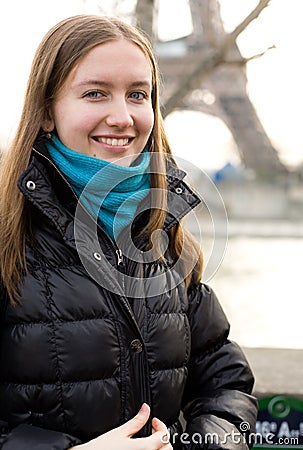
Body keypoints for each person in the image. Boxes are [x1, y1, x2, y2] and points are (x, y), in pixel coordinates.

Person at [0, 14, 258, 450]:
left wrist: (201, 445)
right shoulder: (8, 242)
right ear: (46, 112)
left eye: (138, 94)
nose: (122, 116)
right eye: (95, 93)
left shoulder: (165, 236)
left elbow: (225, 382)